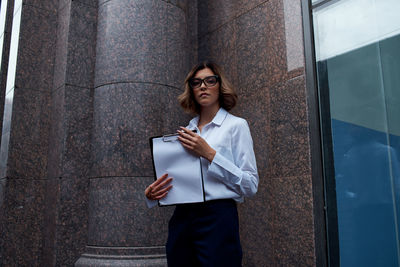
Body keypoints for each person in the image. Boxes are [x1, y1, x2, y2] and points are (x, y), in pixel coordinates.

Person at [145, 61, 259, 267]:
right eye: (196, 83)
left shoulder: (236, 126)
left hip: (218, 217)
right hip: (182, 216)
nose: (203, 86)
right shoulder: (185, 131)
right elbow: (177, 180)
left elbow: (250, 185)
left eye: (209, 80)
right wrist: (154, 195)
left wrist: (209, 154)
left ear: (220, 85)